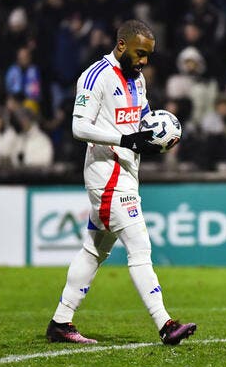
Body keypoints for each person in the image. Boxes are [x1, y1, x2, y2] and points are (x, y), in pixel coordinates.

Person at [46, 20, 196, 345]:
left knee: (93, 250)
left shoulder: (137, 80)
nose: (144, 62)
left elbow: (140, 119)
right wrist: (126, 140)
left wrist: (156, 135)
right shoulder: (95, 76)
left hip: (126, 174)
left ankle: (61, 322)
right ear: (122, 45)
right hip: (107, 176)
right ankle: (165, 324)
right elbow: (79, 127)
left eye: (149, 56)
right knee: (140, 248)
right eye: (140, 54)